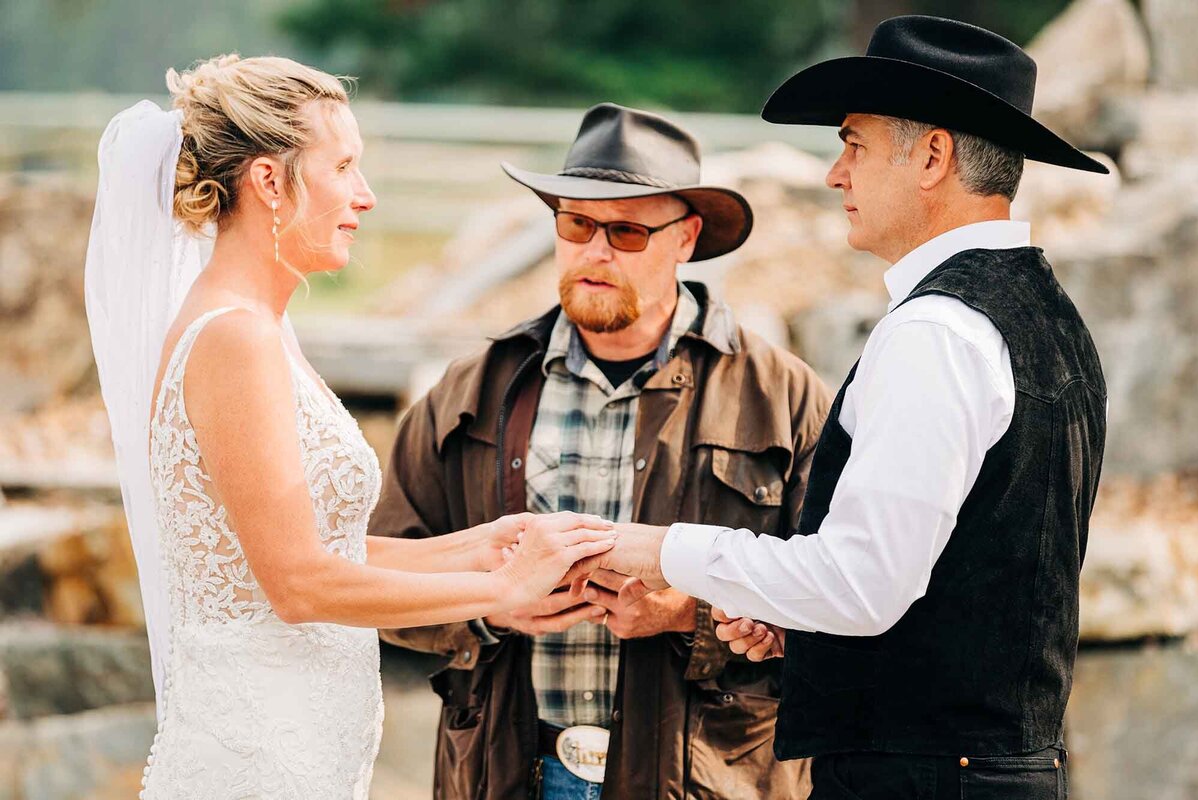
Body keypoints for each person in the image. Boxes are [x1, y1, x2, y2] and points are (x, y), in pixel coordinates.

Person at [595, 17, 1108, 799]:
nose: (835, 174)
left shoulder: (939, 329)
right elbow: (967, 580)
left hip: (920, 781)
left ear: (933, 156)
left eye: (854, 145)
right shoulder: (1050, 316)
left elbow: (865, 585)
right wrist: (801, 628)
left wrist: (657, 547)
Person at [83, 54, 614, 800]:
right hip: (257, 764)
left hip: (302, 749)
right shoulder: (236, 338)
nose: (364, 196)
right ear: (270, 181)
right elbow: (297, 584)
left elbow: (300, 543)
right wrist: (498, 592)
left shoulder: (261, 326)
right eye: (343, 166)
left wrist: (478, 548)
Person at [369, 103, 830, 799]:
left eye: (626, 231)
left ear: (686, 238)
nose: (595, 251)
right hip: (511, 774)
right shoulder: (469, 389)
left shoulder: (784, 396)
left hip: (709, 781)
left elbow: (840, 595)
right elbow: (381, 576)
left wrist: (686, 613)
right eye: (576, 224)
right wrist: (489, 608)